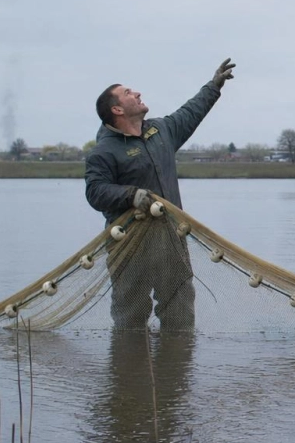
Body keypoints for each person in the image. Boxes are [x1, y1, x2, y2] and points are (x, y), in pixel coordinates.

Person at [85, 58, 236, 329]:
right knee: (130, 316)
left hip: (171, 240)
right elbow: (95, 192)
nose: (138, 93)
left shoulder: (161, 131)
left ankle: (174, 368)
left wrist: (213, 86)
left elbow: (191, 111)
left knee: (179, 314)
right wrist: (131, 195)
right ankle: (128, 368)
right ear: (117, 109)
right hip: (129, 245)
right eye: (128, 93)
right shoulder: (103, 152)